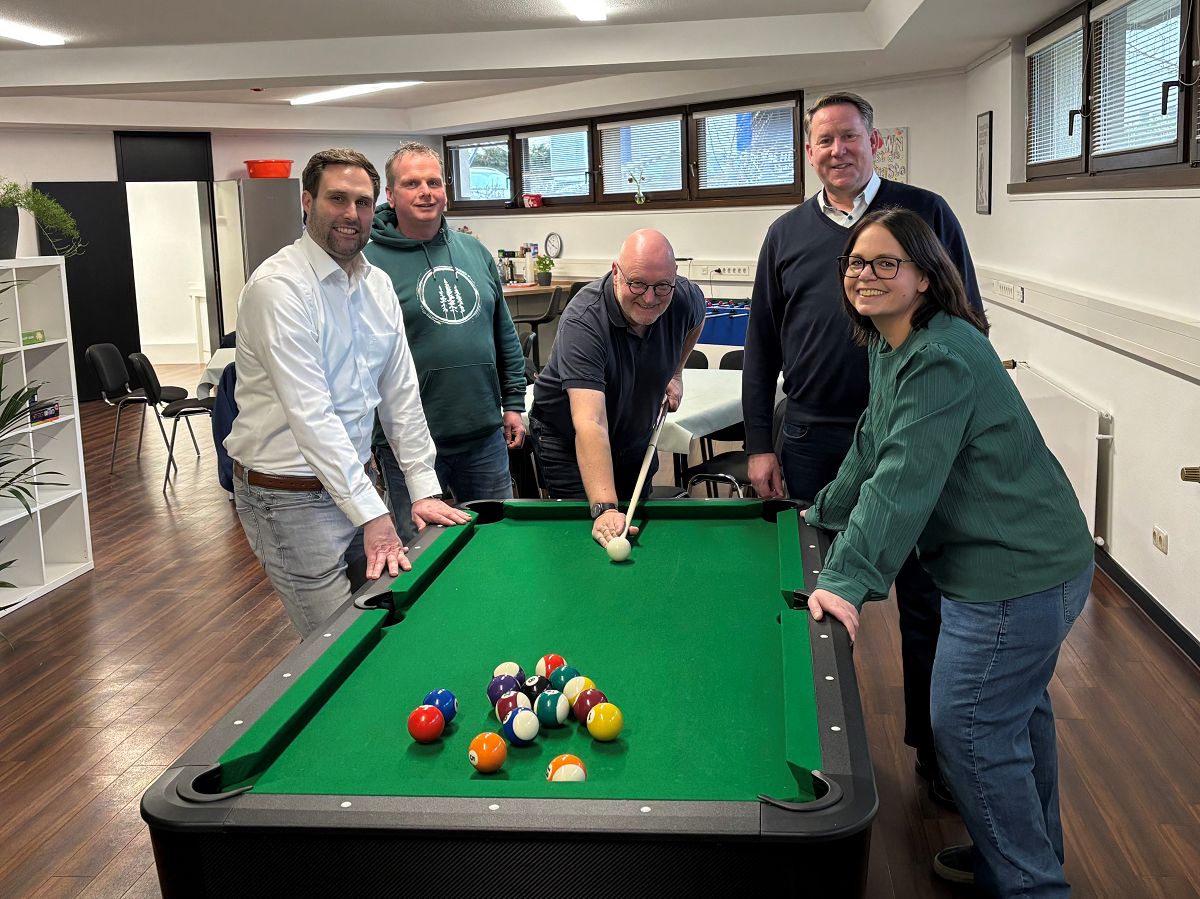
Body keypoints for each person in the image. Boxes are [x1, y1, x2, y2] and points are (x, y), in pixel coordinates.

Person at [804, 208, 1094, 896]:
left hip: (1012, 574)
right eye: (855, 263)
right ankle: (1025, 854)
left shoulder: (940, 355)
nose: (865, 275)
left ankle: (1028, 882)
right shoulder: (890, 341)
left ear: (926, 278)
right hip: (1035, 561)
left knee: (965, 728)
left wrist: (844, 579)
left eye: (885, 263)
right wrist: (822, 515)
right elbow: (875, 443)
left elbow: (904, 477)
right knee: (1015, 718)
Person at [742, 91, 982, 807]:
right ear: (808, 152)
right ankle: (812, 749)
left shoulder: (924, 213)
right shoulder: (785, 233)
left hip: (914, 430)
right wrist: (760, 442)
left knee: (924, 602)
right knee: (816, 595)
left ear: (875, 141)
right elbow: (761, 344)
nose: (837, 151)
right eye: (823, 142)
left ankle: (935, 755)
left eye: (849, 137)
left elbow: (967, 318)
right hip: (814, 436)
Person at [226, 147, 469, 638]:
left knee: (384, 624)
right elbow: (311, 417)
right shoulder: (279, 288)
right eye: (337, 199)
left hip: (356, 484)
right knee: (334, 642)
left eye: (362, 202)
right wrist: (374, 513)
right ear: (306, 201)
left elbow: (401, 396)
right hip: (285, 497)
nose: (351, 214)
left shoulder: (377, 286)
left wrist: (423, 487)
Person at [364, 142, 526, 542]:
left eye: (433, 182)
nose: (426, 191)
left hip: (483, 435)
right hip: (409, 446)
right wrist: (366, 438)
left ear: (446, 191)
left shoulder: (474, 252)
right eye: (412, 183)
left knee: (496, 540)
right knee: (419, 549)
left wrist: (514, 404)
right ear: (390, 195)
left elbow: (502, 333)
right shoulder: (369, 264)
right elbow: (360, 361)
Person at [529, 229, 705, 547]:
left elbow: (696, 319)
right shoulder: (584, 322)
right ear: (615, 273)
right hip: (568, 440)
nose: (649, 297)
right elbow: (590, 422)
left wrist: (676, 373)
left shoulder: (683, 297)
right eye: (636, 283)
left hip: (633, 434)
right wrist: (605, 507)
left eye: (662, 286)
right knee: (586, 537)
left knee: (636, 529)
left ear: (675, 279)